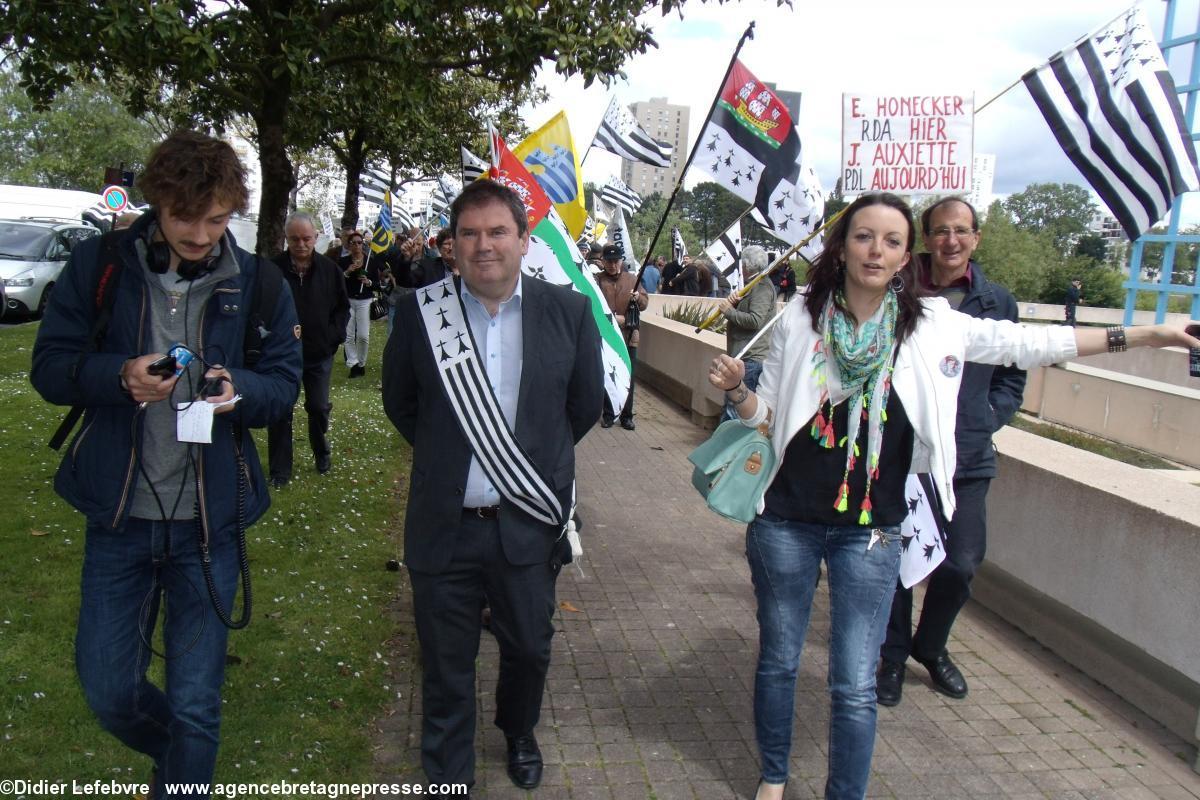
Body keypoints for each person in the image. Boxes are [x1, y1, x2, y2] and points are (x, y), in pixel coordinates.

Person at [707, 192, 1198, 800]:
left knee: (854, 685)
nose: (876, 250)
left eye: (891, 240)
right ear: (843, 247)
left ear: (903, 256)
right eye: (864, 236)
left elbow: (1033, 344)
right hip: (787, 521)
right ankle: (775, 776)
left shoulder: (933, 324)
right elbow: (768, 416)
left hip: (872, 531)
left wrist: (1152, 333)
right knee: (780, 662)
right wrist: (739, 392)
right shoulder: (801, 318)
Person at [30, 130, 301, 789]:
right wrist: (118, 376)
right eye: (185, 218)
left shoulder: (261, 282)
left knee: (195, 705)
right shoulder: (99, 265)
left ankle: (184, 775)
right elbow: (50, 368)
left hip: (210, 528)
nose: (201, 235)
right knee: (109, 692)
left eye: (217, 220)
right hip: (120, 520)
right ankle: (179, 764)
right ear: (157, 203)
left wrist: (240, 390)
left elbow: (283, 383)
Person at [382, 179, 603, 793]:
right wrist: (451, 459)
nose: (484, 245)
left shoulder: (569, 311)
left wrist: (529, 466)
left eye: (498, 231)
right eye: (470, 233)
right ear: (452, 245)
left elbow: (583, 407)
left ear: (524, 240)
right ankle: (448, 774)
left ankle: (518, 729)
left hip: (527, 521)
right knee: (445, 662)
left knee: (529, 649)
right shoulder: (420, 313)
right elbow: (401, 404)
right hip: (445, 524)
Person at [876, 196, 1026, 707]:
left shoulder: (997, 301)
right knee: (897, 561)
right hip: (902, 454)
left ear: (976, 238)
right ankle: (892, 656)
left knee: (961, 563)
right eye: (941, 230)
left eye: (961, 230)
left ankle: (931, 646)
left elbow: (1012, 374)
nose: (951, 240)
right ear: (926, 238)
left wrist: (987, 417)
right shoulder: (897, 288)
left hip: (967, 457)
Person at [267, 211, 350, 487]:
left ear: (315, 237)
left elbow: (342, 308)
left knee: (318, 407)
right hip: (282, 355)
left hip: (318, 354)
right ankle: (280, 469)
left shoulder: (330, 270)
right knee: (281, 409)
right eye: (294, 239)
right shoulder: (273, 270)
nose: (301, 244)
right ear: (286, 239)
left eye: (306, 239)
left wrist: (333, 337)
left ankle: (321, 451)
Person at [717, 245, 776, 422]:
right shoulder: (754, 285)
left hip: (750, 358)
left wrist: (729, 311)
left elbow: (755, 320)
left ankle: (728, 439)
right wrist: (736, 304)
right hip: (744, 357)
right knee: (731, 408)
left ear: (747, 265)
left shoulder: (762, 286)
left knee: (735, 412)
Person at [596, 243, 649, 430]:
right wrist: (612, 319)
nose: (612, 265)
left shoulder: (632, 279)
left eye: (615, 261)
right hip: (607, 337)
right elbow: (593, 305)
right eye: (609, 261)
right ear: (603, 261)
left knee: (628, 377)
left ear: (621, 261)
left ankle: (627, 415)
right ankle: (609, 414)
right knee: (608, 376)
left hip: (629, 336)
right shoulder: (597, 280)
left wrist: (638, 298)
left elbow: (645, 303)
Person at [339, 231, 378, 378]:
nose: (356, 245)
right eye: (353, 243)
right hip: (348, 300)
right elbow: (338, 280)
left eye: (359, 242)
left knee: (363, 335)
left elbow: (377, 283)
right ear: (349, 245)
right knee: (348, 334)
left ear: (363, 244)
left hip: (364, 301)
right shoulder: (343, 261)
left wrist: (368, 282)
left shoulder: (369, 261)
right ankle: (353, 362)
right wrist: (347, 272)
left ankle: (361, 363)